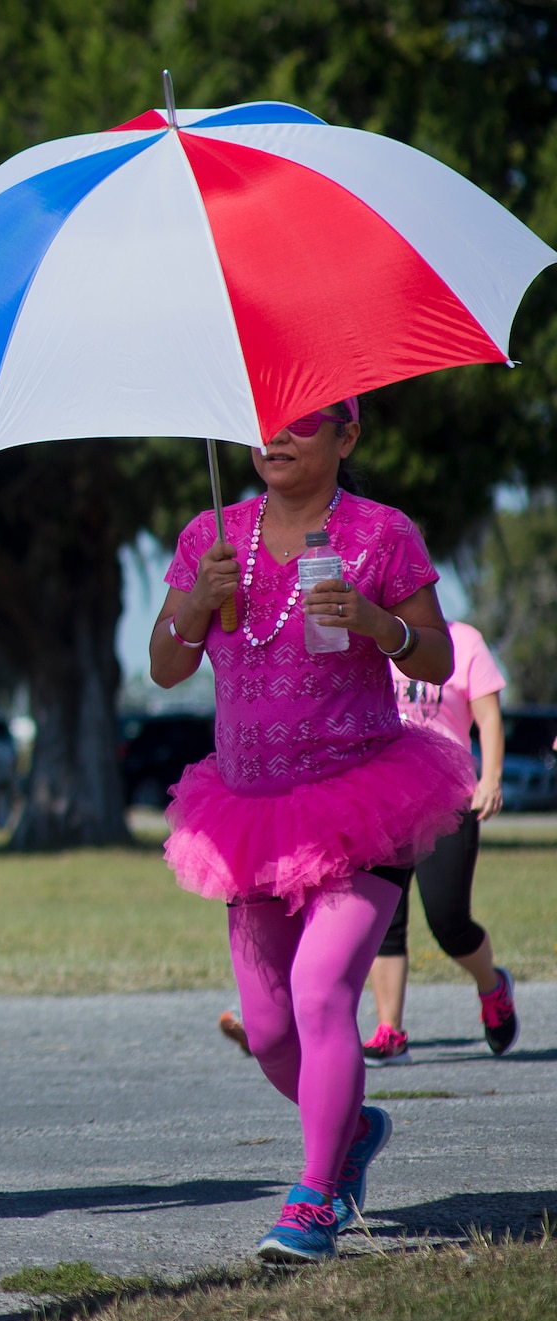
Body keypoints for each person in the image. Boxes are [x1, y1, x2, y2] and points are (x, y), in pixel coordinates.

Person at [150, 398, 471, 1266]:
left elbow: (437, 659)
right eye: (263, 421)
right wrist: (194, 602)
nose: (277, 436)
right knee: (268, 1030)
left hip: (362, 799)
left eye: (303, 421)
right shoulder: (214, 534)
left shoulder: (380, 533)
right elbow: (165, 665)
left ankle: (316, 1196)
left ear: (347, 436)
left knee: (323, 992)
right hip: (248, 811)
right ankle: (354, 1127)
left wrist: (380, 625)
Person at [362, 619, 519, 1063]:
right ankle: (389, 1031)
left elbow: (489, 718)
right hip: (382, 800)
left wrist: (490, 778)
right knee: (384, 922)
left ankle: (492, 987)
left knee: (448, 920)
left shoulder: (464, 641)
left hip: (447, 797)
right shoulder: (370, 635)